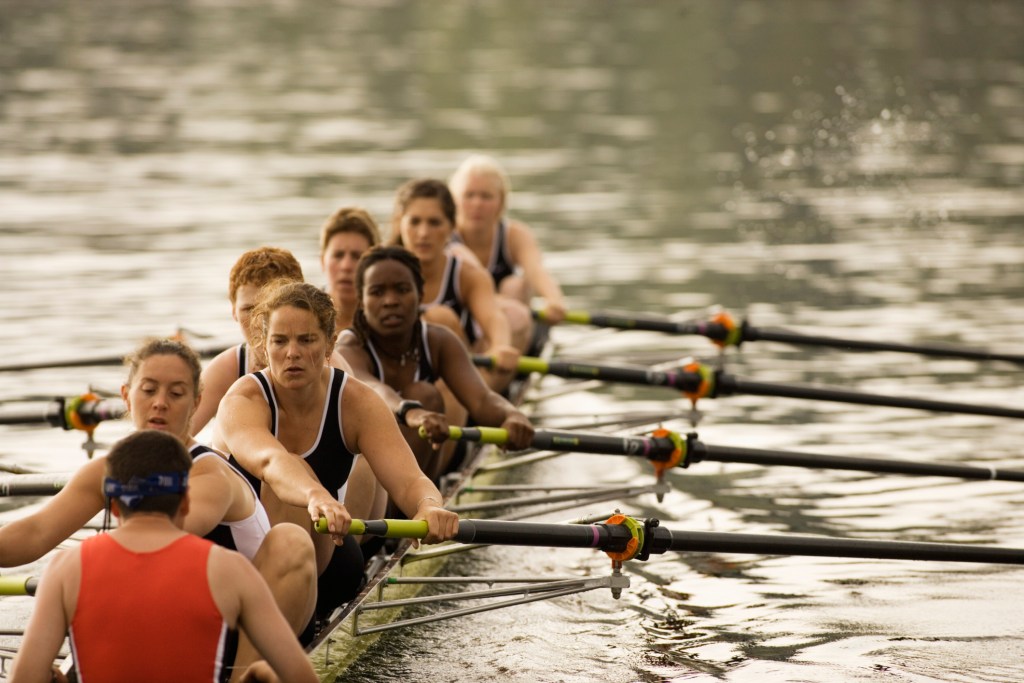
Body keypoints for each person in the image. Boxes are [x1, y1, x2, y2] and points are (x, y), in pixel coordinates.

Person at [0, 339, 317, 681]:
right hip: (164, 620)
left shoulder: (210, 474)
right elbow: (36, 532)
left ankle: (241, 677)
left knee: (290, 539)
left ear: (197, 402)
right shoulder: (107, 469)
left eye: (176, 393)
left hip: (243, 628)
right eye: (149, 390)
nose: (160, 403)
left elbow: (158, 541)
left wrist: (73, 578)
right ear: (126, 396)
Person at [215, 281, 460, 619]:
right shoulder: (243, 399)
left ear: (330, 343)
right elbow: (271, 461)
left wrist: (429, 505)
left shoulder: (357, 402)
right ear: (263, 344)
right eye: (280, 341)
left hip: (327, 563)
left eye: (306, 340)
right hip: (247, 556)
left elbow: (409, 481)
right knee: (292, 473)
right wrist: (316, 496)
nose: (292, 353)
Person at [338, 245, 535, 481]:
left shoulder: (439, 341)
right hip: (360, 471)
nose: (390, 301)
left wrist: (512, 415)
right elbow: (374, 390)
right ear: (361, 300)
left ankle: (420, 496)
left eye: (402, 290)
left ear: (421, 295)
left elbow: (482, 399)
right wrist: (411, 413)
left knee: (425, 394)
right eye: (377, 292)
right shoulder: (349, 348)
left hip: (415, 467)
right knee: (419, 399)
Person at [193, 245, 350, 437]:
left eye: (270, 310)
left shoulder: (333, 369)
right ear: (234, 311)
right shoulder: (225, 369)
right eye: (249, 310)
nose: (259, 322)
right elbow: (175, 436)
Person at [389, 178, 520, 392]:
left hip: (454, 380)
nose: (423, 233)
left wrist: (500, 347)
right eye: (415, 222)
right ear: (399, 223)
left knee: (440, 318)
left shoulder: (467, 275)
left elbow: (493, 318)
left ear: (451, 226)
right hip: (395, 381)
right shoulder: (376, 271)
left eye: (434, 223)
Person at [449, 154, 567, 343]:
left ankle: (503, 350)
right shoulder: (443, 236)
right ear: (454, 200)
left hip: (510, 319)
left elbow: (536, 270)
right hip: (463, 317)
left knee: (515, 285)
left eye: (486, 196)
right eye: (469, 195)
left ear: (501, 202)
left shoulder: (515, 235)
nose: (477, 203)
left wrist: (554, 300)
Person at [319, 206, 381, 334]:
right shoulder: (305, 315)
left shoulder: (387, 318)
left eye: (357, 256)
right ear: (323, 261)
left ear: (375, 264)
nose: (346, 266)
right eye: (338, 255)